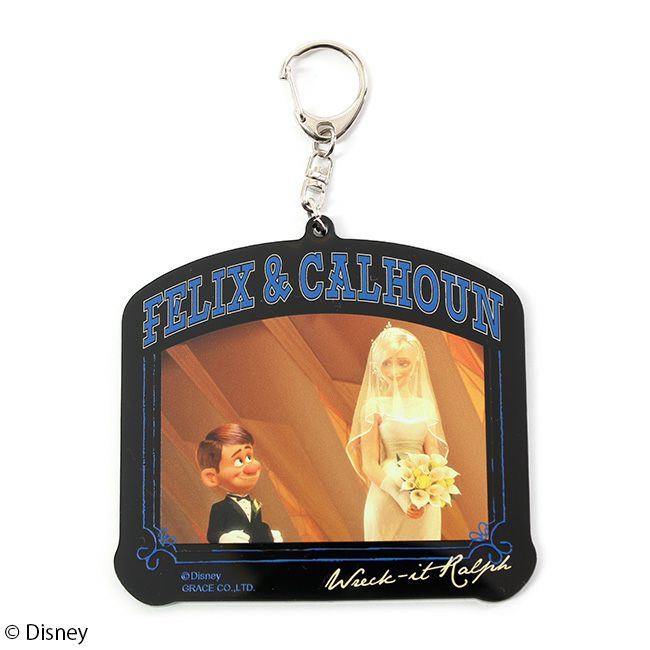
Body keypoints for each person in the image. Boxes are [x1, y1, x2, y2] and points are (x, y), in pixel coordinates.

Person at [346, 324, 449, 541]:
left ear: (416, 364)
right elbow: (369, 464)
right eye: (387, 363)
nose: (395, 371)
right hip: (387, 493)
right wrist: (401, 496)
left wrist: (434, 486)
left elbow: (434, 454)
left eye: (403, 363)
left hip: (423, 496)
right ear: (377, 366)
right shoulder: (373, 406)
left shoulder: (425, 406)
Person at [197, 423, 282, 544]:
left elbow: (256, 529)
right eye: (239, 461)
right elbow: (212, 535)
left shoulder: (255, 505)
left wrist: (269, 536)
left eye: (249, 457)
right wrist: (223, 538)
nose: (252, 467)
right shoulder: (219, 508)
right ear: (212, 477)